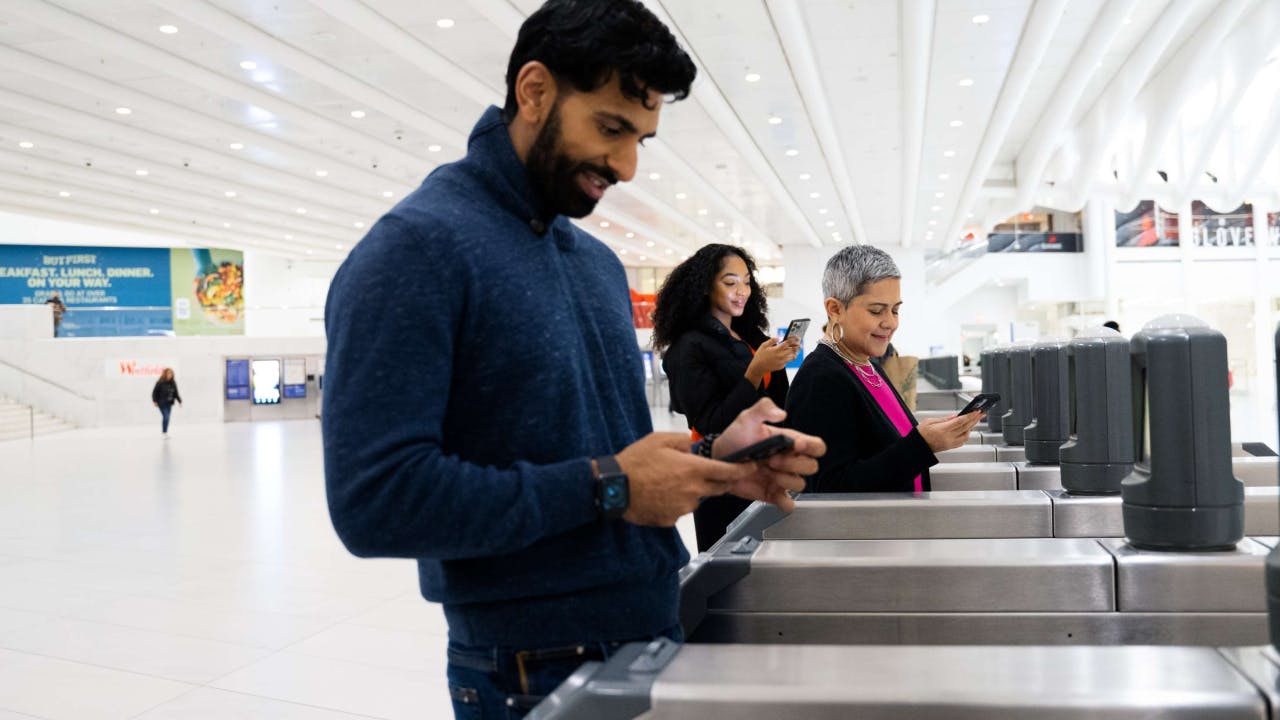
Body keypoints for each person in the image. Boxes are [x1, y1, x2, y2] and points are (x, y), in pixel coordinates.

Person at [320, 2, 825, 717]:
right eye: (612, 128)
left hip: (649, 628)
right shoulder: (415, 251)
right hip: (531, 666)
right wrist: (610, 486)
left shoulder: (592, 262)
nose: (626, 165)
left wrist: (716, 455)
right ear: (533, 91)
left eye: (641, 138)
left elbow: (607, 458)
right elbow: (374, 501)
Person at [786, 245, 980, 492]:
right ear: (835, 309)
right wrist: (922, 445)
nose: (891, 322)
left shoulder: (865, 365)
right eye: (876, 310)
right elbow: (827, 488)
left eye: (895, 309)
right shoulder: (821, 379)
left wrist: (928, 435)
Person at [653, 244, 799, 550]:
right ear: (705, 287)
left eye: (747, 281)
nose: (742, 290)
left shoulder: (751, 338)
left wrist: (778, 365)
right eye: (730, 282)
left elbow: (777, 407)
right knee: (727, 565)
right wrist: (755, 372)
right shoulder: (688, 347)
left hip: (767, 467)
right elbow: (712, 424)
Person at [151, 368, 181, 436]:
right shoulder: (160, 382)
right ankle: (164, 432)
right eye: (169, 373)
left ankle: (165, 432)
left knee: (167, 417)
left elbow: (176, 393)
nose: (170, 375)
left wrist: (179, 401)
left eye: (171, 373)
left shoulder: (173, 383)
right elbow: (154, 392)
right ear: (165, 374)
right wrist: (155, 401)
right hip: (161, 403)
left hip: (169, 403)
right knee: (166, 417)